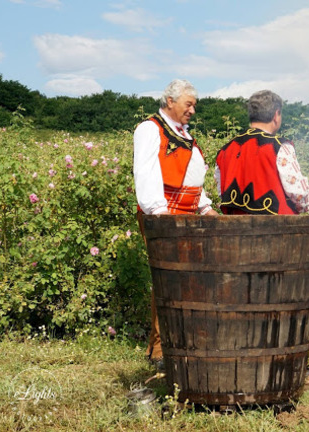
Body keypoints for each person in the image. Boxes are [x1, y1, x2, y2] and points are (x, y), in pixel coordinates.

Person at [133, 78, 218, 367]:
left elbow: (192, 177)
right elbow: (145, 173)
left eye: (194, 105)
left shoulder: (183, 134)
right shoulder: (150, 129)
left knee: (187, 281)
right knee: (166, 280)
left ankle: (182, 342)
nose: (193, 110)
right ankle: (158, 350)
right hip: (164, 216)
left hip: (186, 215)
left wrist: (205, 208)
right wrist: (159, 213)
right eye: (188, 104)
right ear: (170, 101)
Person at [214, 90, 309, 215]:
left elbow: (222, 192)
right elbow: (298, 193)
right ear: (276, 115)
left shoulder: (225, 150)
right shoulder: (280, 146)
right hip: (279, 229)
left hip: (235, 230)